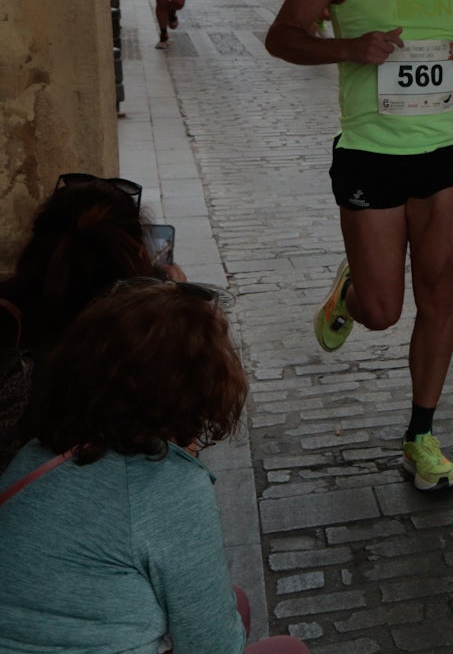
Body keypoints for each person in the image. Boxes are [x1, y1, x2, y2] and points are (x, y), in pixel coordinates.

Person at [264, 0, 453, 491]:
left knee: (440, 297)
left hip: (445, 151)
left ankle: (421, 433)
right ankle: (353, 288)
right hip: (370, 154)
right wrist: (351, 48)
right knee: (384, 308)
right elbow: (281, 36)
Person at [0, 280, 308, 653]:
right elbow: (212, 646)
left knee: (237, 602)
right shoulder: (168, 487)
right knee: (287, 649)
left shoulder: (37, 452)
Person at [0, 173, 186, 472]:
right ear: (135, 246)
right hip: (118, 495)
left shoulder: (8, 311)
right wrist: (176, 300)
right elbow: (182, 437)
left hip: (19, 494)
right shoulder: (148, 324)